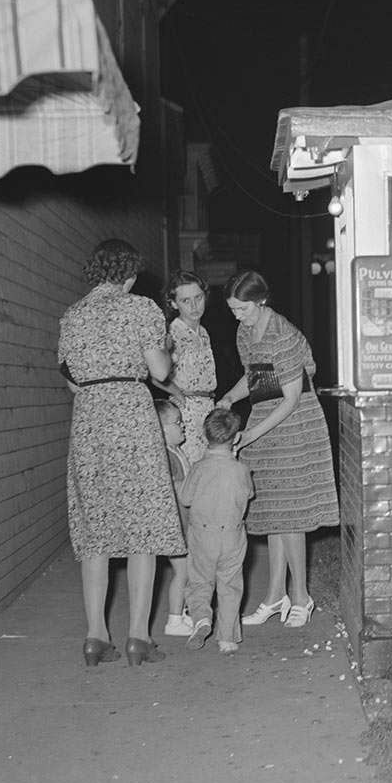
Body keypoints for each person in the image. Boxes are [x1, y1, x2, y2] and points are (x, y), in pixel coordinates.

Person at [59, 238, 186, 667]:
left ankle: (95, 637)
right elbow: (160, 371)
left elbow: (71, 380)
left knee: (94, 531)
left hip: (89, 420)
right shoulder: (142, 309)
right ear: (129, 273)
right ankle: (138, 639)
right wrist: (166, 346)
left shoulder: (72, 316)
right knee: (143, 528)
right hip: (131, 416)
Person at [218, 271, 340, 628]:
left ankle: (302, 597)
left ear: (261, 301)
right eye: (232, 309)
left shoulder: (282, 334)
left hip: (295, 421)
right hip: (264, 412)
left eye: (242, 308)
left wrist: (250, 434)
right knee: (272, 509)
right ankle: (275, 596)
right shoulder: (245, 330)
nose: (237, 315)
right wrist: (230, 396)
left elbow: (290, 398)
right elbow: (256, 377)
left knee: (292, 514)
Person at [153, 271, 217, 638]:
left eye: (198, 298)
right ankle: (190, 601)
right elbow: (155, 370)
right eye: (186, 300)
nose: (194, 306)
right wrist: (176, 394)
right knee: (192, 494)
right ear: (174, 303)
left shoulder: (202, 331)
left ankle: (198, 594)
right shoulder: (172, 332)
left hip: (206, 408)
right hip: (188, 412)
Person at [179, 408, 253, 654]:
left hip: (202, 533)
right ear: (236, 437)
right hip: (232, 534)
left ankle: (201, 618)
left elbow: (186, 498)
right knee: (230, 585)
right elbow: (248, 495)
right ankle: (227, 638)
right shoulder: (241, 470)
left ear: (203, 435)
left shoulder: (199, 468)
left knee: (200, 580)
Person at [155, 398, 194, 639]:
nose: (183, 427)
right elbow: (177, 490)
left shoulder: (176, 452)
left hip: (184, 522)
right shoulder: (166, 457)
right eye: (177, 423)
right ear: (160, 429)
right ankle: (174, 619)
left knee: (189, 570)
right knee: (183, 572)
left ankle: (186, 613)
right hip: (176, 525)